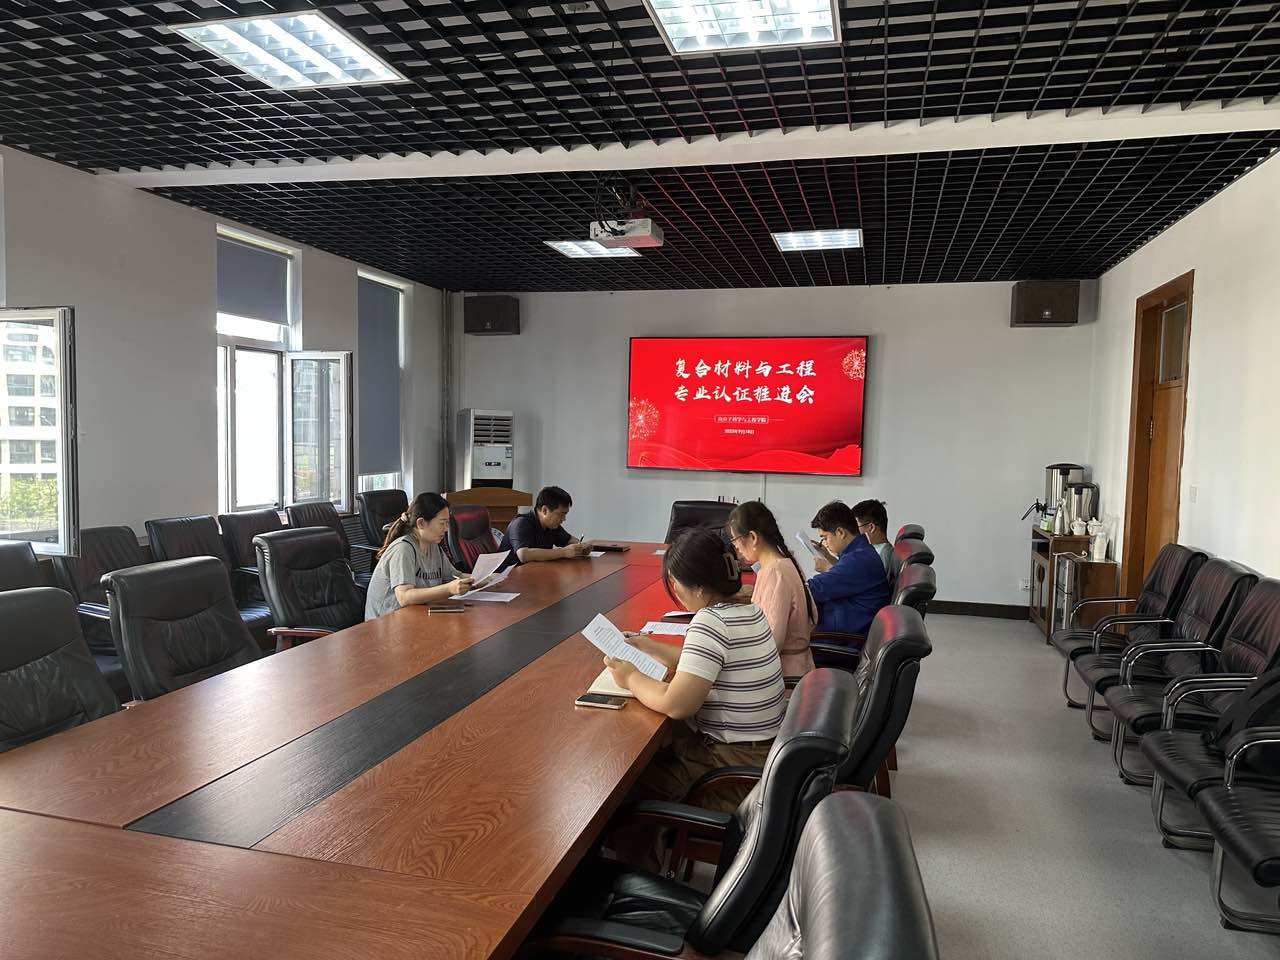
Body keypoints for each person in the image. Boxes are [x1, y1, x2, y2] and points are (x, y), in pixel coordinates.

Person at [604, 527, 785, 868]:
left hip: (729, 771)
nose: (675, 590)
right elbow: (707, 662)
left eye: (676, 583)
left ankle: (636, 880)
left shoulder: (710, 623)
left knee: (625, 789)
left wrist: (630, 678)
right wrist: (650, 646)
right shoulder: (748, 610)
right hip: (758, 757)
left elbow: (677, 704)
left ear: (699, 587)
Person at [726, 500, 816, 680]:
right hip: (796, 669)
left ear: (753, 537)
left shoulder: (774, 573)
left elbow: (771, 644)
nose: (736, 548)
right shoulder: (782, 563)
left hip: (784, 677)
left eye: (735, 541)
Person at [364, 492, 472, 620]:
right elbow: (404, 597)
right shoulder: (403, 549)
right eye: (442, 523)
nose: (446, 529)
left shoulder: (433, 547)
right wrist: (449, 589)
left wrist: (483, 579)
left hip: (415, 617)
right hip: (385, 623)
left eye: (447, 523)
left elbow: (455, 576)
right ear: (421, 523)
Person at [807, 500, 892, 637]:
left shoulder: (858, 560)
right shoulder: (859, 552)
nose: (825, 543)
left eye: (825, 537)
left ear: (840, 532)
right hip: (840, 626)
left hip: (838, 639)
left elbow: (815, 588)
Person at [498, 485, 592, 564]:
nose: (564, 519)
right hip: (507, 577)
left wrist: (581, 547)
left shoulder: (552, 526)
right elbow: (524, 555)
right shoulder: (521, 523)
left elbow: (568, 540)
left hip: (534, 573)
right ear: (545, 510)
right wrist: (563, 552)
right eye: (561, 514)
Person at [852, 498, 893, 576]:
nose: (853, 532)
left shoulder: (882, 555)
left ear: (871, 527)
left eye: (856, 527)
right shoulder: (875, 551)